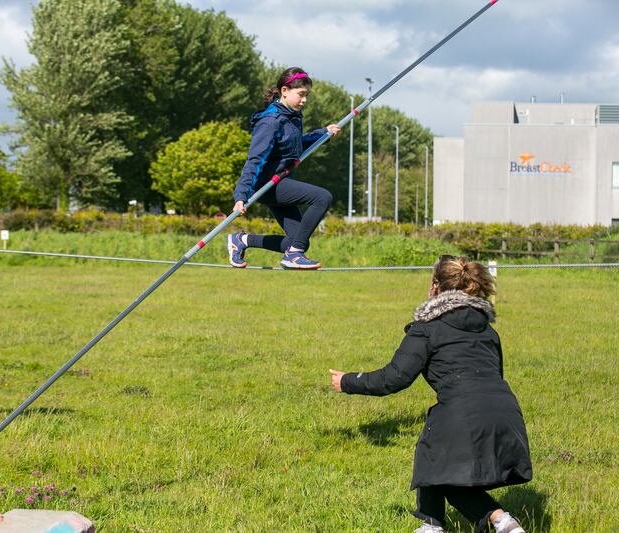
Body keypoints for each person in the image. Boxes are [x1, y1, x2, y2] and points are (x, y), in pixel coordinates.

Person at [328, 255, 532, 533]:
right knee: (435, 459)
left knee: (441, 472)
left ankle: (499, 521)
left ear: (435, 287)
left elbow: (394, 378)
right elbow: (495, 373)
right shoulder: (487, 330)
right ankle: (433, 525)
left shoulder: (426, 329)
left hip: (464, 413)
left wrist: (349, 381)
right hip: (506, 411)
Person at [227, 67, 340, 270]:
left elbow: (294, 146)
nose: (304, 100)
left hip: (281, 181)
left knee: (298, 240)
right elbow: (254, 160)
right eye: (301, 95)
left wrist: (323, 133)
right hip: (267, 185)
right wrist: (241, 196)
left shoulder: (292, 116)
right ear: (285, 91)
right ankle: (294, 256)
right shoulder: (270, 121)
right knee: (322, 197)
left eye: (307, 95)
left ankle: (241, 240)